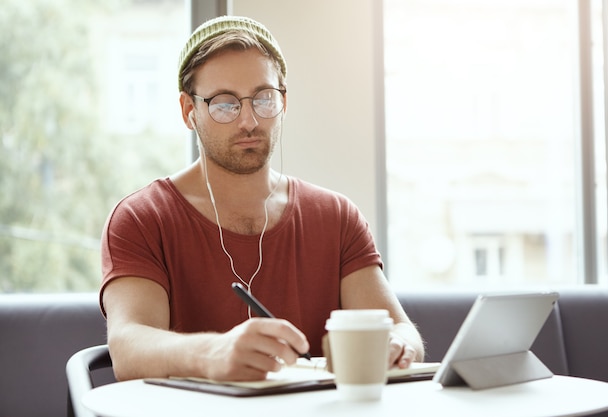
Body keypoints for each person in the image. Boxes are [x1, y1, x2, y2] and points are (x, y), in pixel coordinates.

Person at [100, 15, 424, 383]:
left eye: (263, 98)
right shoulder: (143, 218)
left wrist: (398, 344)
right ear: (189, 112)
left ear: (283, 102)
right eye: (225, 103)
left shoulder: (336, 216)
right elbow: (127, 348)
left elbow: (402, 329)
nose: (249, 121)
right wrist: (213, 353)